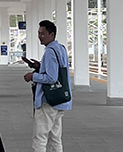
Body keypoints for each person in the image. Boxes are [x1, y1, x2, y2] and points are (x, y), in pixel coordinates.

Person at [23, 20, 72, 152]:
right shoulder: (60, 48)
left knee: (40, 136)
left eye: (43, 33)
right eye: (39, 33)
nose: (40, 36)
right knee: (55, 137)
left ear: (52, 34)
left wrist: (32, 76)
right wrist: (39, 66)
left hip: (48, 101)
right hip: (60, 99)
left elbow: (51, 78)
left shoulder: (50, 51)